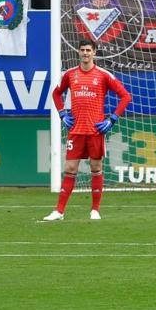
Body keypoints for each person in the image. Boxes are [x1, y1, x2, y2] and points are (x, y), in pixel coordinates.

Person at [43, 40, 132, 221]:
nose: (85, 53)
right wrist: (62, 114)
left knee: (96, 167)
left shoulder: (103, 75)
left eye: (88, 50)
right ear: (78, 52)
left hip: (95, 131)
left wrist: (112, 119)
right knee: (70, 168)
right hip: (76, 130)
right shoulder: (70, 75)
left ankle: (95, 210)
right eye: (82, 50)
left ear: (94, 53)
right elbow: (56, 93)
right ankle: (59, 211)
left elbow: (125, 96)